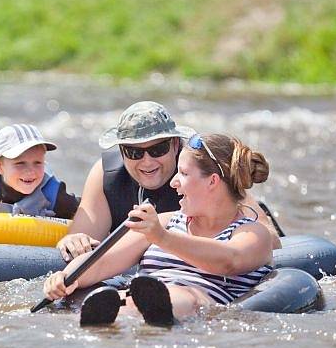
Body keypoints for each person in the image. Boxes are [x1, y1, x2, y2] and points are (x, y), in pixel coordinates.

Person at [43, 133, 274, 327]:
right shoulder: (165, 222)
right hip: (141, 293)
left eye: (183, 174)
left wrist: (163, 238)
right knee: (121, 297)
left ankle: (145, 310)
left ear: (212, 182)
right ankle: (112, 314)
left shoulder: (252, 233)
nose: (174, 182)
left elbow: (229, 261)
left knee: (184, 297)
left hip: (194, 303)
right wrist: (66, 277)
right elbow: (102, 262)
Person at [55, 101, 280, 261]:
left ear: (175, 145)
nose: (147, 161)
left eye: (158, 149)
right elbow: (86, 239)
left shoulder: (204, 170)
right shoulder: (107, 174)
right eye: (134, 152)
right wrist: (74, 241)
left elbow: (269, 240)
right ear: (122, 151)